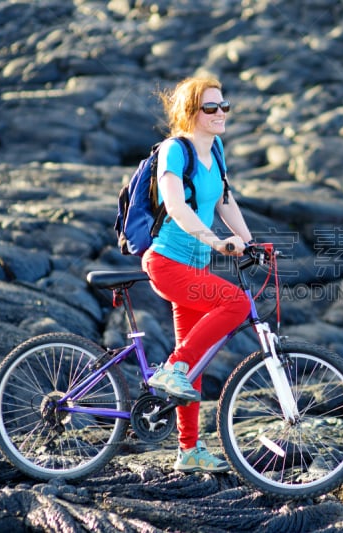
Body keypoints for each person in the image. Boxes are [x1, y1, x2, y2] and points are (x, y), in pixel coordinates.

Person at [143, 76, 253, 473]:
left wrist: (248, 241)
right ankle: (171, 368)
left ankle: (188, 451)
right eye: (211, 108)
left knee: (196, 365)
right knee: (236, 303)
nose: (221, 113)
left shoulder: (216, 149)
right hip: (168, 263)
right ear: (190, 113)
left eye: (224, 106)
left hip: (195, 265)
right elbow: (175, 205)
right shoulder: (175, 150)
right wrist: (214, 241)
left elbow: (224, 199)